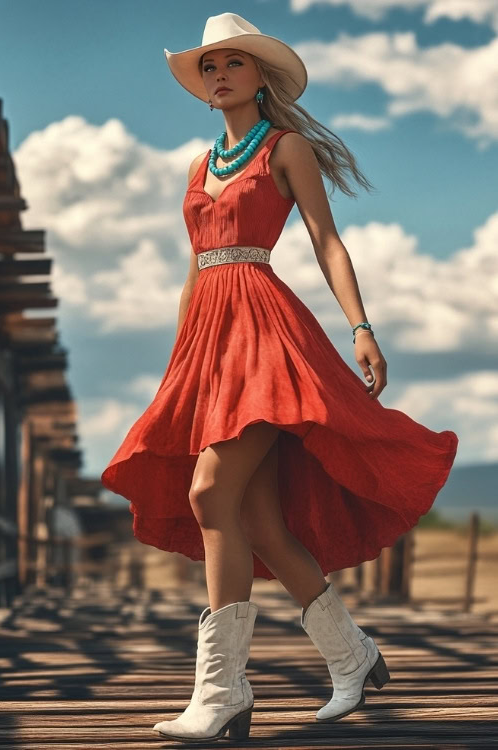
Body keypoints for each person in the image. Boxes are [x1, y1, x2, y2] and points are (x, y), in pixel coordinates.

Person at [100, 11, 459, 743]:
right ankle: (353, 658)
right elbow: (195, 269)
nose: (220, 75)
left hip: (266, 332)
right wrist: (180, 365)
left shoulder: (286, 148)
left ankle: (222, 691)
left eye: (234, 63)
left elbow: (327, 239)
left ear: (262, 77)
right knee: (258, 520)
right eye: (209, 67)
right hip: (209, 341)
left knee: (208, 492)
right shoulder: (200, 167)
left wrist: (361, 327)